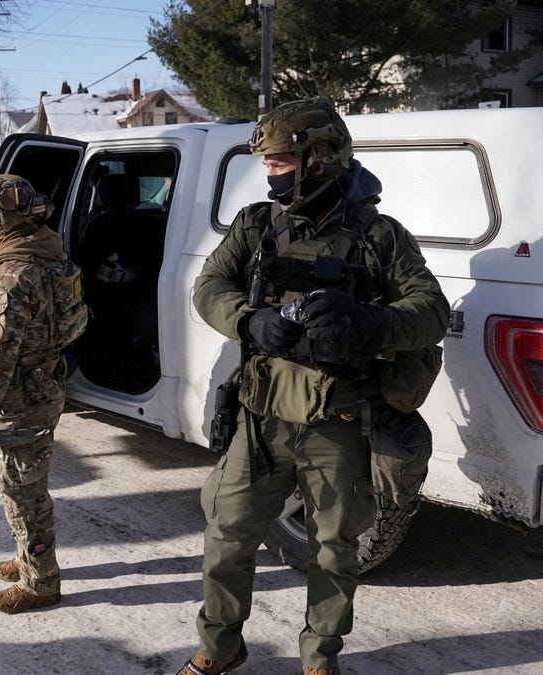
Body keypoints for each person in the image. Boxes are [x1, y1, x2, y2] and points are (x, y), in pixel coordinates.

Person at [181, 97, 450, 675]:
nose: (270, 173)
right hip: (261, 416)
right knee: (227, 532)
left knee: (333, 549)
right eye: (268, 164)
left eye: (279, 162)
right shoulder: (256, 224)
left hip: (341, 422)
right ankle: (219, 649)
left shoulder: (382, 237)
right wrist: (248, 319)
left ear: (319, 159)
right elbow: (209, 286)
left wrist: (368, 320)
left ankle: (320, 659)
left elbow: (432, 311)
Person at [0, 174, 88, 614]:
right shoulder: (50, 256)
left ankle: (41, 584)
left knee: (22, 491)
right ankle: (27, 559)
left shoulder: (13, 277)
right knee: (25, 484)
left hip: (19, 398)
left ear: (3, 218)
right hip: (43, 386)